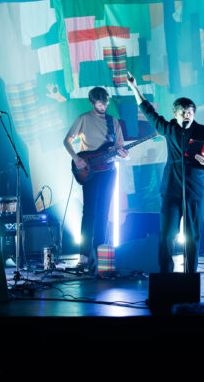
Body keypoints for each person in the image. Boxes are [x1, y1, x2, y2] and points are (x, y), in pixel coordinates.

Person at [126, 72, 204, 274]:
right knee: (167, 235)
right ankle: (165, 275)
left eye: (191, 112)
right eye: (184, 112)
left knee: (193, 236)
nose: (188, 116)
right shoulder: (169, 129)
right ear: (175, 114)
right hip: (171, 189)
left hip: (195, 190)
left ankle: (190, 275)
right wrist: (135, 88)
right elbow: (149, 111)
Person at [64, 87, 127, 273]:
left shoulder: (112, 121)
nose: (104, 106)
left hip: (108, 170)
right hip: (89, 169)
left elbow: (119, 146)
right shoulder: (83, 119)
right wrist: (77, 158)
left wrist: (123, 154)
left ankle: (100, 254)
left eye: (106, 102)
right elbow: (67, 140)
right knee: (89, 213)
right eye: (100, 103)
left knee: (103, 213)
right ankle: (83, 256)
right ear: (92, 102)